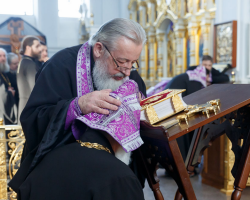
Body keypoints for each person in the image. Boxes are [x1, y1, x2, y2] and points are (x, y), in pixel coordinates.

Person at [9, 18, 147, 200]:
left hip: (113, 174)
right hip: (65, 176)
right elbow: (33, 119)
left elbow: (140, 104)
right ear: (99, 49)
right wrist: (77, 105)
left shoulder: (128, 70)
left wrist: (141, 104)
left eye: (133, 62)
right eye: (121, 62)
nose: (128, 71)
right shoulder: (60, 66)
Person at [164, 55, 230, 163]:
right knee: (182, 136)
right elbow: (194, 103)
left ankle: (180, 166)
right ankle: (183, 166)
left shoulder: (193, 76)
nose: (209, 82)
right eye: (209, 81)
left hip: (172, 107)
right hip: (172, 109)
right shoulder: (195, 80)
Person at [17, 35, 41, 123]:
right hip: (29, 109)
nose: (40, 49)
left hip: (23, 106)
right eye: (37, 46)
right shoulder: (29, 64)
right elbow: (36, 89)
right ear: (28, 47)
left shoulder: (23, 61)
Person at [0, 48, 17, 124]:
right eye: (0, 56)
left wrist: (10, 92)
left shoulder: (4, 73)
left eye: (4, 56)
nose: (3, 58)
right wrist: (9, 93)